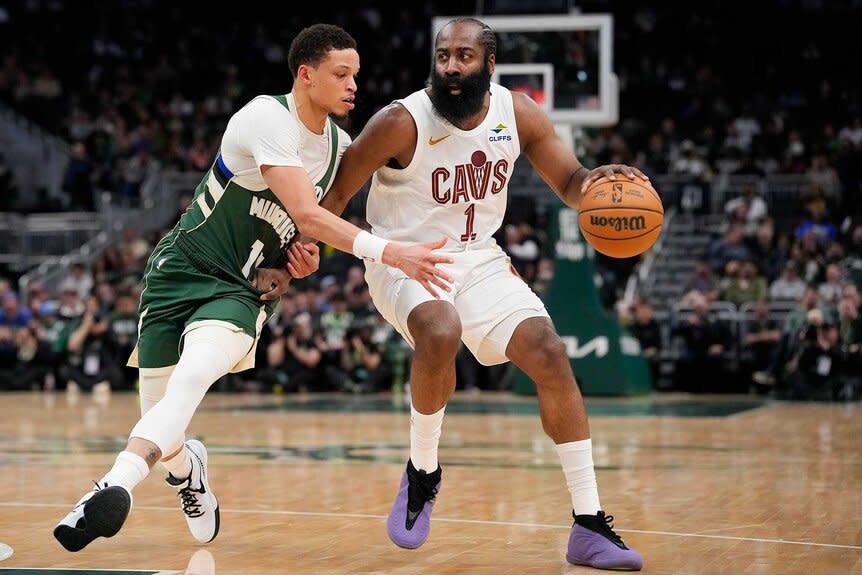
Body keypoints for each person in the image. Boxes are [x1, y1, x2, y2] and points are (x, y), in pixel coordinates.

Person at [53, 23, 453, 553]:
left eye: (356, 74)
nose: (354, 84)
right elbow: (307, 213)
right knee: (159, 416)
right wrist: (391, 252)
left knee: (192, 378)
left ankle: (114, 483)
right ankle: (187, 473)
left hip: (242, 288)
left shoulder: (340, 146)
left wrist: (303, 262)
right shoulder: (265, 117)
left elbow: (314, 229)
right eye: (341, 74)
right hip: (180, 268)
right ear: (305, 76)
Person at [320, 17, 645, 571]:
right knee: (441, 328)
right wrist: (304, 251)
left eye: (464, 56)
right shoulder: (400, 122)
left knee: (549, 352)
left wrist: (594, 184)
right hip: (405, 259)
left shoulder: (516, 113)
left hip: (479, 258)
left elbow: (568, 182)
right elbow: (335, 194)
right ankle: (423, 471)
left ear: (488, 64)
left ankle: (588, 525)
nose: (451, 66)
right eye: (444, 55)